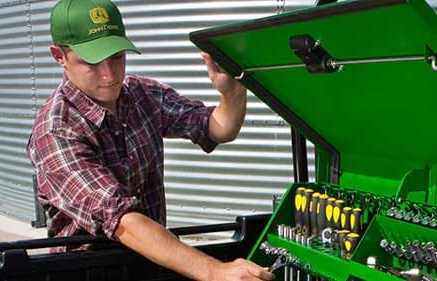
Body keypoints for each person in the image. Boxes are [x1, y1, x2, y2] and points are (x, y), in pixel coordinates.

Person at [26, 0, 274, 280]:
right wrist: (215, 271)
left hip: (151, 261)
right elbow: (121, 220)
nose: (109, 75)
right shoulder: (56, 130)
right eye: (92, 62)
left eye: (117, 57)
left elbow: (217, 129)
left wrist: (233, 92)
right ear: (59, 56)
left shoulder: (141, 95)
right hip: (88, 269)